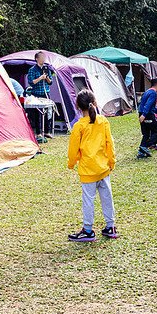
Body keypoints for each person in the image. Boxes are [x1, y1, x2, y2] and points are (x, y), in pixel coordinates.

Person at [67, 89, 118, 242]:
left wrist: (71, 163)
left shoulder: (79, 126)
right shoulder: (103, 121)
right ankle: (111, 226)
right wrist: (111, 161)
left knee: (88, 200)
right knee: (107, 197)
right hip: (103, 168)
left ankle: (88, 230)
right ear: (94, 103)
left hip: (88, 170)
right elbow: (110, 143)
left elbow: (73, 149)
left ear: (77, 107)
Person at [26, 51, 54, 142]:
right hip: (36, 93)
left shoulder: (47, 69)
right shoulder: (32, 70)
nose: (43, 59)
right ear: (37, 59)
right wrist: (40, 78)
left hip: (46, 93)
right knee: (38, 113)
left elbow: (50, 82)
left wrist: (46, 78)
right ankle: (38, 133)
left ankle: (47, 131)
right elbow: (31, 82)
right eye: (41, 57)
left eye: (44, 57)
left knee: (48, 112)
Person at [137, 78, 157, 158]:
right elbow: (148, 105)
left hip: (142, 113)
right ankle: (144, 146)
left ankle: (141, 153)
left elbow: (151, 106)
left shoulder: (146, 92)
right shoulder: (153, 93)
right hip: (148, 115)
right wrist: (144, 115)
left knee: (146, 134)